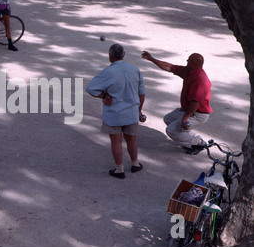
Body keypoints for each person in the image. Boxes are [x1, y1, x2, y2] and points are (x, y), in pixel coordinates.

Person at [86, 44, 145, 179]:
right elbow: (141, 94)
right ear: (124, 54)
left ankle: (120, 169)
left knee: (116, 141)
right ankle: (135, 164)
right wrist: (139, 110)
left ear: (110, 56)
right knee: (132, 138)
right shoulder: (135, 69)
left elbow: (90, 88)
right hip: (131, 112)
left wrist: (104, 96)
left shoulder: (107, 72)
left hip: (114, 114)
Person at [141, 51, 212, 154]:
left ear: (194, 63)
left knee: (171, 130)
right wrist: (152, 59)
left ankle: (199, 143)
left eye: (189, 59)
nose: (186, 60)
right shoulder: (189, 71)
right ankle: (194, 137)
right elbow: (170, 67)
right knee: (168, 119)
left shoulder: (200, 79)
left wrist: (186, 117)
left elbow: (195, 103)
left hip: (197, 114)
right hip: (189, 110)